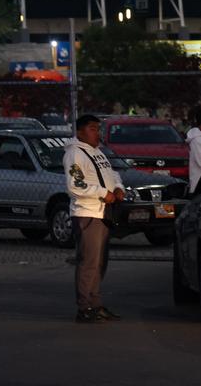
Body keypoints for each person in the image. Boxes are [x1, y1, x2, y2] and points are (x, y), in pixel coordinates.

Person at [63, 114, 125, 323]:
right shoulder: (75, 154)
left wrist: (117, 187)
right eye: (91, 128)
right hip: (88, 213)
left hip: (102, 212)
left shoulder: (96, 151)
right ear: (79, 132)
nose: (96, 132)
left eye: (98, 128)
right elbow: (75, 185)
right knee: (89, 262)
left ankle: (95, 303)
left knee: (100, 262)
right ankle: (84, 307)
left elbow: (112, 173)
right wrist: (101, 193)